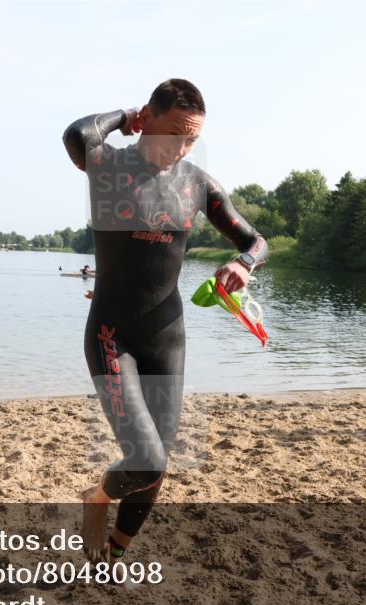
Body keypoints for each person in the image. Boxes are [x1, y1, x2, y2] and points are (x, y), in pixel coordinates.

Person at [63, 79, 268, 563]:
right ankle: (97, 497)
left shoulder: (198, 184)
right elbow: (77, 134)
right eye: (174, 134)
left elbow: (256, 241)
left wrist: (244, 263)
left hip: (166, 337)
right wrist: (122, 115)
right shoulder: (109, 167)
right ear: (147, 119)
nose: (181, 148)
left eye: (192, 139)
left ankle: (114, 553)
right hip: (111, 335)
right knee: (146, 458)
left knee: (157, 468)